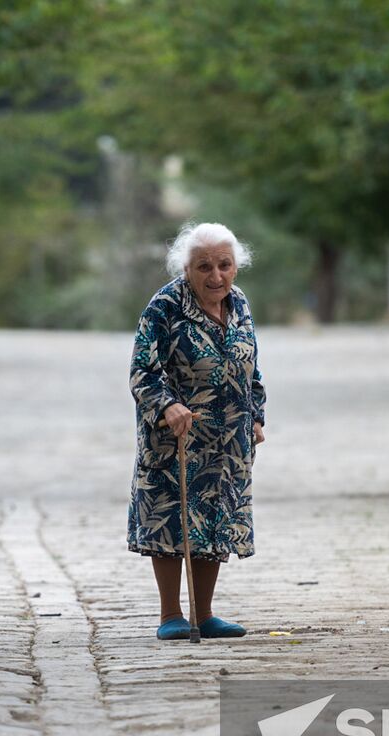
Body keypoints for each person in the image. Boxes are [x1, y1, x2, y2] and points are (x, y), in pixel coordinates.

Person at [128, 222, 266, 641]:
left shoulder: (238, 304)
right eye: (204, 266)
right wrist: (167, 405)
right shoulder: (165, 307)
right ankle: (171, 613)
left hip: (229, 438)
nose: (216, 275)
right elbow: (142, 371)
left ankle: (203, 614)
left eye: (225, 265)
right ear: (185, 268)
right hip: (177, 435)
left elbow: (251, 369)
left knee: (216, 517)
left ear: (237, 267)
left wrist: (256, 415)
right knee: (173, 517)